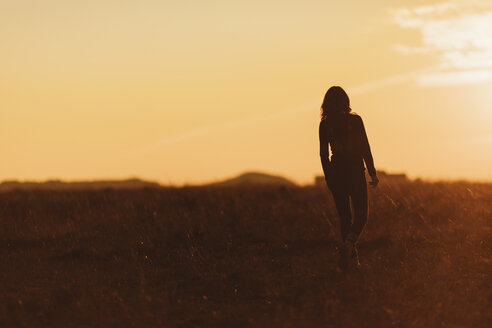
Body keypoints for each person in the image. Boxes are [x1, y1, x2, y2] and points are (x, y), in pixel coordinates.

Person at [318, 86, 378, 270]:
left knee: (345, 218)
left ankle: (347, 260)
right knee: (361, 215)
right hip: (354, 171)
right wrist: (372, 172)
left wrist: (328, 177)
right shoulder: (355, 120)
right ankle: (350, 245)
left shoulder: (325, 124)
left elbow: (323, 155)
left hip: (336, 173)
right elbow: (365, 147)